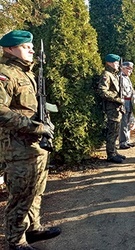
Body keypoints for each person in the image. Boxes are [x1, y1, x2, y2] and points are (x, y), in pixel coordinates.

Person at [0, 30, 61, 250]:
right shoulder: (5, 73)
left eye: (31, 46)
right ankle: (16, 241)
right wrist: (34, 127)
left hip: (35, 145)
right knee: (21, 195)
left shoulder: (26, 73)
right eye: (26, 47)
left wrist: (45, 124)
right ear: (9, 49)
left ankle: (33, 229)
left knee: (36, 190)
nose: (31, 50)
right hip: (18, 147)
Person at [98, 54, 126, 163]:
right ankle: (111, 154)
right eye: (115, 63)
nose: (117, 65)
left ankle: (114, 151)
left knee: (116, 131)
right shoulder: (106, 75)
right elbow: (102, 91)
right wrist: (117, 99)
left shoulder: (114, 75)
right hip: (111, 107)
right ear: (109, 63)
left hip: (116, 108)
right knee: (112, 131)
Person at [119, 61, 135, 149]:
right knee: (124, 122)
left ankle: (127, 140)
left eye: (131, 69)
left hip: (129, 101)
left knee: (128, 122)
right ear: (123, 68)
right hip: (124, 101)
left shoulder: (127, 78)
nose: (130, 71)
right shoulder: (120, 77)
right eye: (129, 69)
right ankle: (122, 142)